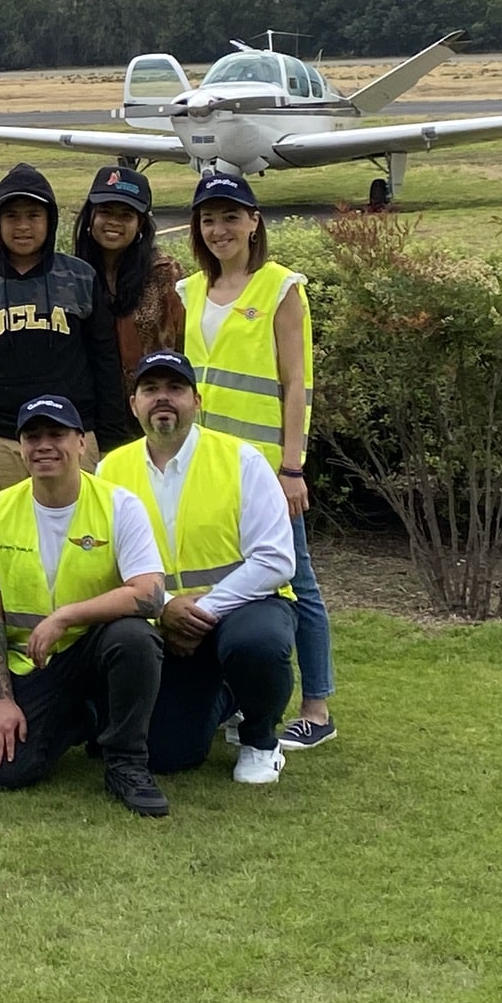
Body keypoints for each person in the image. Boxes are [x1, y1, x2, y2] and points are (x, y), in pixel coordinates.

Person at [180, 171, 338, 752]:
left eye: (230, 216)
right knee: (225, 575)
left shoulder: (280, 287)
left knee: (296, 579)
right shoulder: (190, 291)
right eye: (208, 219)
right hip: (208, 466)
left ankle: (316, 705)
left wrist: (292, 466)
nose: (219, 229)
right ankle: (230, 694)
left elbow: (297, 383)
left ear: (253, 221)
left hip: (268, 468)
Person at [97, 351, 298, 784]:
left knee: (257, 644)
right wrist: (165, 607)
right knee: (167, 755)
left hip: (243, 612)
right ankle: (226, 696)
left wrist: (202, 611)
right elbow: (103, 561)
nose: (162, 399)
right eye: (150, 390)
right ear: (134, 404)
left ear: (197, 400)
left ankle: (261, 739)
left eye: (175, 389)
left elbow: (276, 558)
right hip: (161, 622)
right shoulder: (110, 469)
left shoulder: (241, 460)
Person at [0, 395, 170, 816]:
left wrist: (66, 616)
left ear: (81, 443)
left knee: (135, 637)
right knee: (7, 773)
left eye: (57, 434)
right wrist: (2, 699)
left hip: (97, 648)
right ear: (21, 447)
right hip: (36, 664)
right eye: (33, 436)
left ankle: (126, 763)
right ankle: (81, 718)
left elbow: (150, 592)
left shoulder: (119, 504)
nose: (44, 445)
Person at [0, 163, 124, 497]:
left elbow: (105, 362)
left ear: (50, 220)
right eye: (12, 216)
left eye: (33, 215)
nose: (23, 226)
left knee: (80, 533)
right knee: (6, 536)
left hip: (72, 435)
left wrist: (113, 436)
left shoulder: (81, 278)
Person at [72, 166, 184, 441]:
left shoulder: (164, 275)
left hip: (152, 415)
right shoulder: (71, 275)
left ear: (141, 224)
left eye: (126, 215)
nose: (114, 222)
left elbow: (184, 344)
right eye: (106, 212)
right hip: (88, 418)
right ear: (90, 216)